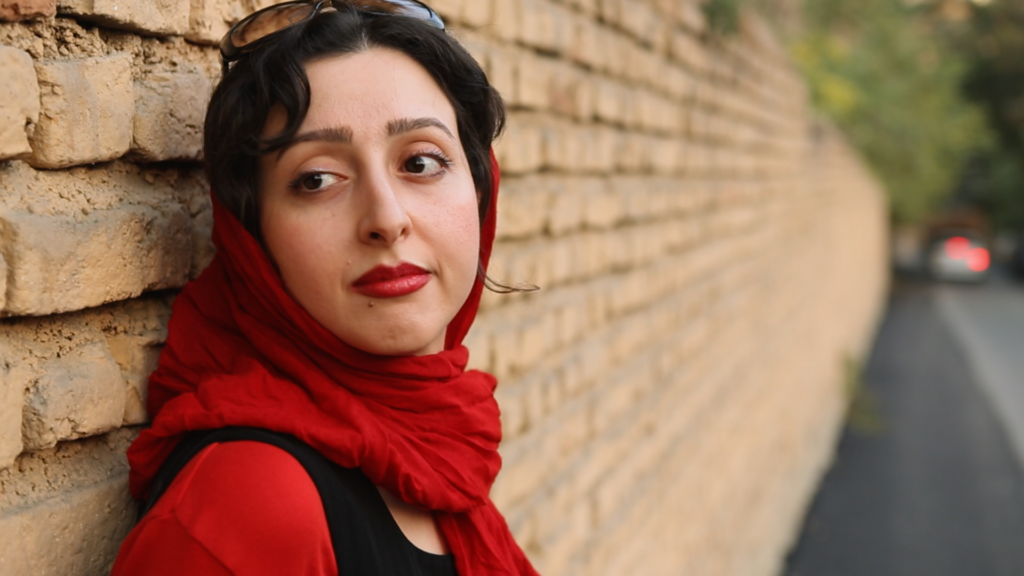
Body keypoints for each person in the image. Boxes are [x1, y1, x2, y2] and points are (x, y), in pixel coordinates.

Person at [110, 1, 539, 574]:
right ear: (252, 237)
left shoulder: (445, 445)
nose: (386, 219)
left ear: (481, 188)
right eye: (316, 179)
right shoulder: (248, 503)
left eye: (420, 163)